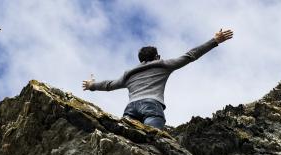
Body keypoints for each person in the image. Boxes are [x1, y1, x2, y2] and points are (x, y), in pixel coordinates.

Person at [82, 29, 234, 129]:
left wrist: (91, 85)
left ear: (141, 60)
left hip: (131, 108)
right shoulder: (162, 65)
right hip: (151, 105)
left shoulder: (128, 74)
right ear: (156, 57)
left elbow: (109, 85)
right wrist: (214, 41)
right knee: (152, 140)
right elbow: (190, 55)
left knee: (126, 138)